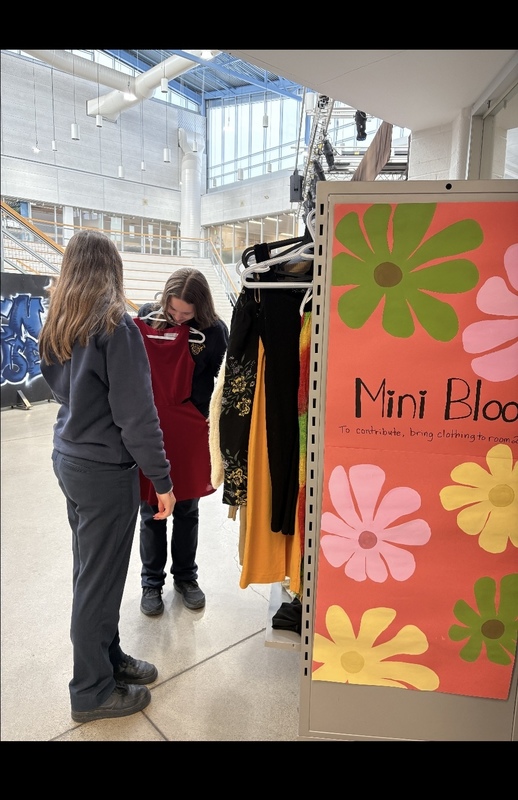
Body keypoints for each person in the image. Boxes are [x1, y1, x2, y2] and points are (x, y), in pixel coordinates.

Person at [39, 230, 176, 723]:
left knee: (94, 572)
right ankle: (91, 690)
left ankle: (108, 659)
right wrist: (162, 479)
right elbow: (136, 415)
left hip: (70, 457)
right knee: (97, 580)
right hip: (102, 468)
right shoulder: (116, 325)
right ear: (111, 268)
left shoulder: (59, 318)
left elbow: (56, 385)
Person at [134, 268, 229, 615]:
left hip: (190, 425)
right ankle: (151, 582)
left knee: (187, 507)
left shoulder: (216, 332)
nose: (176, 318)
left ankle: (186, 577)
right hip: (151, 424)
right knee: (152, 509)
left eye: (185, 314)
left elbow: (210, 381)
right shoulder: (147, 317)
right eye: (172, 311)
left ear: (200, 308)